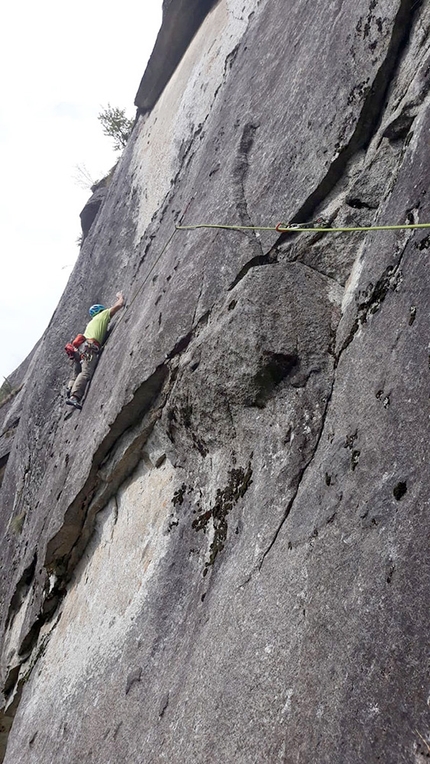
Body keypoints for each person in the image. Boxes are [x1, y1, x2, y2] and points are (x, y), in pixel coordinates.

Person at [66, 292, 125, 410]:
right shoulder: (102, 315)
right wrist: (119, 296)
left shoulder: (91, 323)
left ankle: (70, 387)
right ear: (101, 310)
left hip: (80, 349)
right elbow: (119, 305)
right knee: (86, 372)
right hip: (89, 348)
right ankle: (74, 397)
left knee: (77, 371)